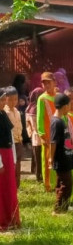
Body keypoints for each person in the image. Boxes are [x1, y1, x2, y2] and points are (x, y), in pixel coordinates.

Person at [49, 93, 73, 215]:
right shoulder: (56, 122)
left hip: (66, 157)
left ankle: (64, 206)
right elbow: (53, 142)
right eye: (69, 105)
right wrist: (51, 158)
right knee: (67, 183)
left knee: (63, 182)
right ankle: (58, 209)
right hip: (61, 159)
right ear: (65, 106)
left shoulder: (61, 120)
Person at [0, 87, 21, 231]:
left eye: (3, 99)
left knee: (10, 189)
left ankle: (12, 218)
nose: (3, 102)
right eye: (1, 99)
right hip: (1, 157)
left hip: (8, 155)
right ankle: (3, 220)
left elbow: (10, 138)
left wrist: (13, 159)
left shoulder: (3, 115)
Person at [37, 72, 57, 192]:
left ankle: (57, 182)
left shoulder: (58, 96)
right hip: (48, 134)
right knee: (47, 159)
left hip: (58, 133)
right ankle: (48, 185)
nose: (47, 85)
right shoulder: (42, 98)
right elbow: (39, 117)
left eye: (49, 82)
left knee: (57, 158)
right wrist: (42, 134)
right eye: (44, 83)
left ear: (54, 82)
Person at [4, 86, 24, 189]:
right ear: (5, 99)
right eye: (10, 99)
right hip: (10, 143)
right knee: (11, 166)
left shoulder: (16, 111)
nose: (13, 102)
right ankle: (10, 185)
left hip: (18, 141)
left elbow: (19, 126)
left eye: (15, 99)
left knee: (18, 165)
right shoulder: (4, 112)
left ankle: (17, 185)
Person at [25, 87, 45, 182]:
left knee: (35, 156)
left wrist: (30, 133)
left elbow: (27, 123)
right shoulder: (38, 107)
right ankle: (39, 176)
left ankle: (35, 172)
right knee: (40, 157)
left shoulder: (29, 107)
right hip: (41, 135)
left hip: (34, 135)